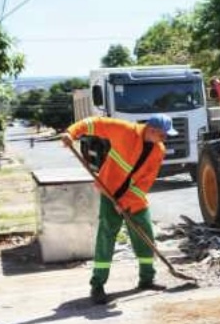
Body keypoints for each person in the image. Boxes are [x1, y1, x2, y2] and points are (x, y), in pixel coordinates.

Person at [61, 114, 178, 305]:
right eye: (163, 135)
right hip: (109, 193)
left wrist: (126, 201)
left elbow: (146, 181)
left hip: (134, 197)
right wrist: (71, 133)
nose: (165, 139)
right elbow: (95, 123)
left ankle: (147, 279)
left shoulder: (158, 150)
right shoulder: (125, 130)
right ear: (151, 130)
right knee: (107, 236)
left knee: (145, 234)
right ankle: (97, 285)